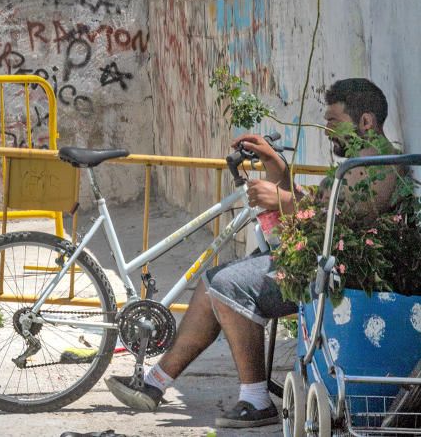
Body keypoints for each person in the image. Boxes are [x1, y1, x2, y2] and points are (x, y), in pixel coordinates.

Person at [92, 78, 400, 430]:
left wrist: (284, 200)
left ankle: (255, 400)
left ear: (365, 122)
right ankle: (154, 383)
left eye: (333, 121)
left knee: (229, 285)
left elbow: (349, 221)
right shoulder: (358, 161)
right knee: (212, 284)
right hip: (315, 260)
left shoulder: (382, 165)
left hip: (336, 273)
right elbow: (315, 209)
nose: (326, 129)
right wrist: (276, 167)